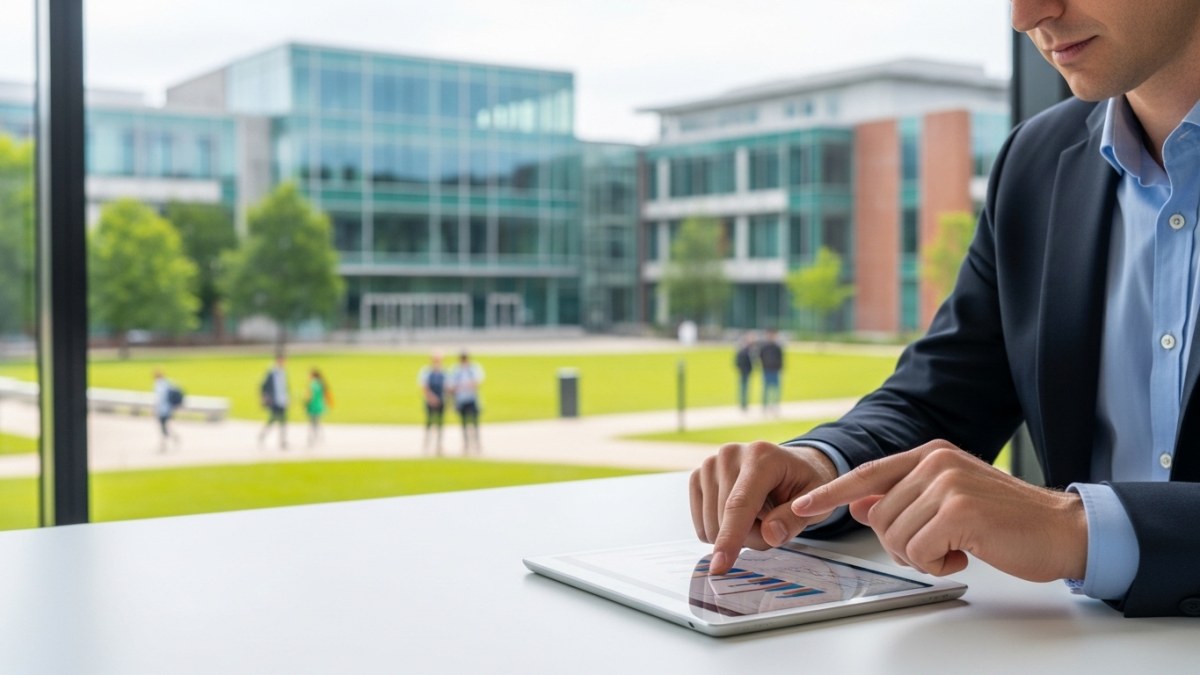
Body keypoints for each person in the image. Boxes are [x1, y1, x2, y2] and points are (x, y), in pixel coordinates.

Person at [691, 1, 1200, 618]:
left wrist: (1079, 532)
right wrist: (819, 469)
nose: (1027, 15)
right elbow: (945, 393)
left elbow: (1070, 527)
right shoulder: (1037, 161)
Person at [447, 350, 484, 456]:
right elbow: (451, 385)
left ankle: (477, 443)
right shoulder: (456, 370)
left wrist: (461, 386)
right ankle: (466, 444)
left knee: (474, 422)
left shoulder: (473, 369)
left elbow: (477, 382)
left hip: (472, 399)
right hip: (461, 400)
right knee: (463, 423)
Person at [418, 351, 448, 456]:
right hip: (430, 401)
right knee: (429, 423)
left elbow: (447, 388)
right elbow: (424, 387)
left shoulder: (444, 372)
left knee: (440, 424)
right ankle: (427, 444)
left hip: (441, 401)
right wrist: (432, 398)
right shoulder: (426, 372)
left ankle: (439, 445)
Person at [258, 356, 289, 450]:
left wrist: (287, 398)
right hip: (274, 401)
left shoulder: (283, 373)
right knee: (273, 419)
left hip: (282, 400)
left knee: (283, 421)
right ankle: (263, 434)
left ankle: (283, 441)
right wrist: (264, 397)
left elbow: (285, 387)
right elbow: (263, 386)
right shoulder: (272, 373)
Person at [152, 369, 181, 452]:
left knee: (163, 427)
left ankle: (165, 443)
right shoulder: (167, 383)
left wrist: (155, 409)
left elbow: (159, 399)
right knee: (165, 426)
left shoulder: (159, 385)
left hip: (162, 410)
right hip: (169, 409)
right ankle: (172, 438)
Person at [757, 328, 783, 416]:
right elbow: (760, 357)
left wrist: (780, 368)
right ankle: (765, 407)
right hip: (766, 370)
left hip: (775, 370)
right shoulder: (764, 347)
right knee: (766, 390)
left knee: (775, 390)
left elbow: (781, 359)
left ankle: (775, 406)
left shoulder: (777, 347)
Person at [305, 368, 331, 448]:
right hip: (319, 406)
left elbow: (309, 396)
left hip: (313, 406)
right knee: (317, 421)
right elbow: (324, 396)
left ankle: (311, 438)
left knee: (312, 422)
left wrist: (305, 403)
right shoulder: (321, 384)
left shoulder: (312, 384)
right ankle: (319, 436)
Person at [734, 332, 756, 412]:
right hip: (743, 371)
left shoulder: (749, 349)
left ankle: (744, 404)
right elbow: (737, 361)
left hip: (746, 371)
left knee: (745, 388)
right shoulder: (744, 350)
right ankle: (743, 404)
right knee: (743, 388)